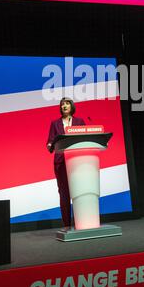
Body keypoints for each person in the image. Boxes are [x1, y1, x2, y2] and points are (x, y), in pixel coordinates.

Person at [46, 97, 85, 228]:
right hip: (61, 162)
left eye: (67, 103)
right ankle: (67, 225)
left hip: (77, 162)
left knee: (79, 192)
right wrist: (49, 145)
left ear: (71, 106)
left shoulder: (80, 122)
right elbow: (50, 141)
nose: (64, 106)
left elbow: (85, 138)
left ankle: (82, 223)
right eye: (62, 104)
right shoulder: (55, 123)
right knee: (64, 193)